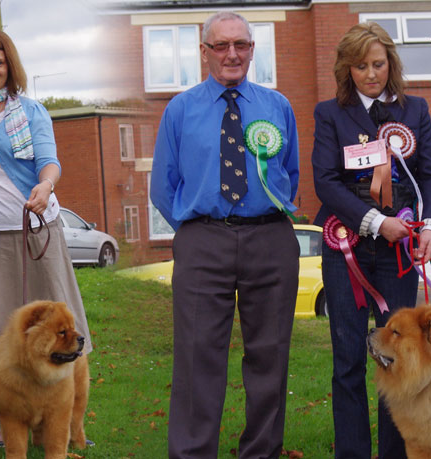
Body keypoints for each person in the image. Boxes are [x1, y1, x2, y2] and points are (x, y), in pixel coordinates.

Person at [151, 11, 301, 459]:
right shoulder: (179, 109)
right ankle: (193, 453)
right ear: (204, 52)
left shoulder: (278, 106)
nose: (232, 54)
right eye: (221, 46)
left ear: (253, 50)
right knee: (198, 358)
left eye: (241, 45)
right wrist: (198, 231)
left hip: (270, 240)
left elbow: (288, 173)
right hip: (203, 242)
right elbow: (163, 185)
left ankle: (260, 452)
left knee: (269, 356)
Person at [0, 30, 93, 446]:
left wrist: (45, 186)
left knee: (62, 333)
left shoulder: (32, 111)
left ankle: (65, 424)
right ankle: (7, 424)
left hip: (37, 233)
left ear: (10, 67)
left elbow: (49, 162)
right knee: (1, 337)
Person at [311, 22, 431, 458]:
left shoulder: (416, 109)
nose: (371, 73)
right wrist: (373, 220)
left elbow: (429, 174)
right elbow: (326, 182)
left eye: (378, 64)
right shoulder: (329, 114)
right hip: (345, 247)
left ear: (391, 62)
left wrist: (429, 226)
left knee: (400, 359)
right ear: (346, 69)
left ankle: (394, 453)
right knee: (349, 358)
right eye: (360, 66)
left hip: (399, 251)